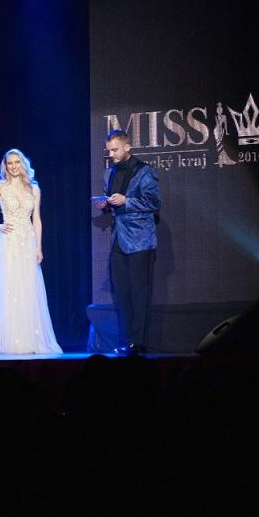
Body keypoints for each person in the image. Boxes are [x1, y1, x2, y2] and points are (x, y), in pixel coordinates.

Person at [0, 149, 62, 355]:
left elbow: (37, 219)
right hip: (8, 242)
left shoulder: (33, 189)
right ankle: (8, 340)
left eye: (17, 162)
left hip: (28, 243)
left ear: (23, 163)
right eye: (10, 163)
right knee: (8, 289)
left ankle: (29, 339)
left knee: (28, 290)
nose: (14, 166)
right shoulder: (0, 186)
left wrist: (39, 247)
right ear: (5, 166)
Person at [92, 129, 161, 354]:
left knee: (139, 293)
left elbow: (154, 202)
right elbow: (114, 204)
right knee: (122, 293)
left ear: (127, 147)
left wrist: (126, 201)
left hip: (140, 240)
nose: (111, 154)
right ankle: (127, 340)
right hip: (119, 240)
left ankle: (138, 342)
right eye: (109, 150)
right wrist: (106, 205)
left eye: (115, 150)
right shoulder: (108, 173)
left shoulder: (144, 171)